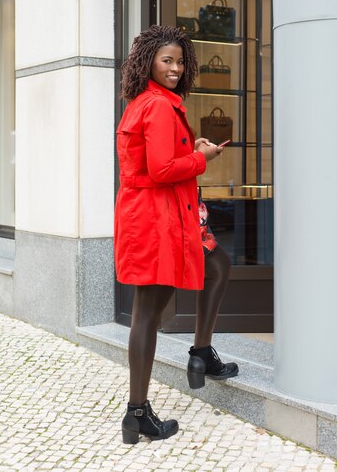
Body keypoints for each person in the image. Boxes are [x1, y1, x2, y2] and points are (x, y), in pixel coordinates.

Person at [114, 25, 238, 445]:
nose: (175, 67)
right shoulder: (159, 108)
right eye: (166, 60)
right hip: (158, 219)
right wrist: (200, 158)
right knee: (149, 309)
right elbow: (163, 170)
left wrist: (191, 151)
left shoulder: (147, 103)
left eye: (180, 61)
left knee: (217, 264)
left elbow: (161, 160)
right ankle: (136, 412)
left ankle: (201, 352)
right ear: (148, 60)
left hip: (166, 216)